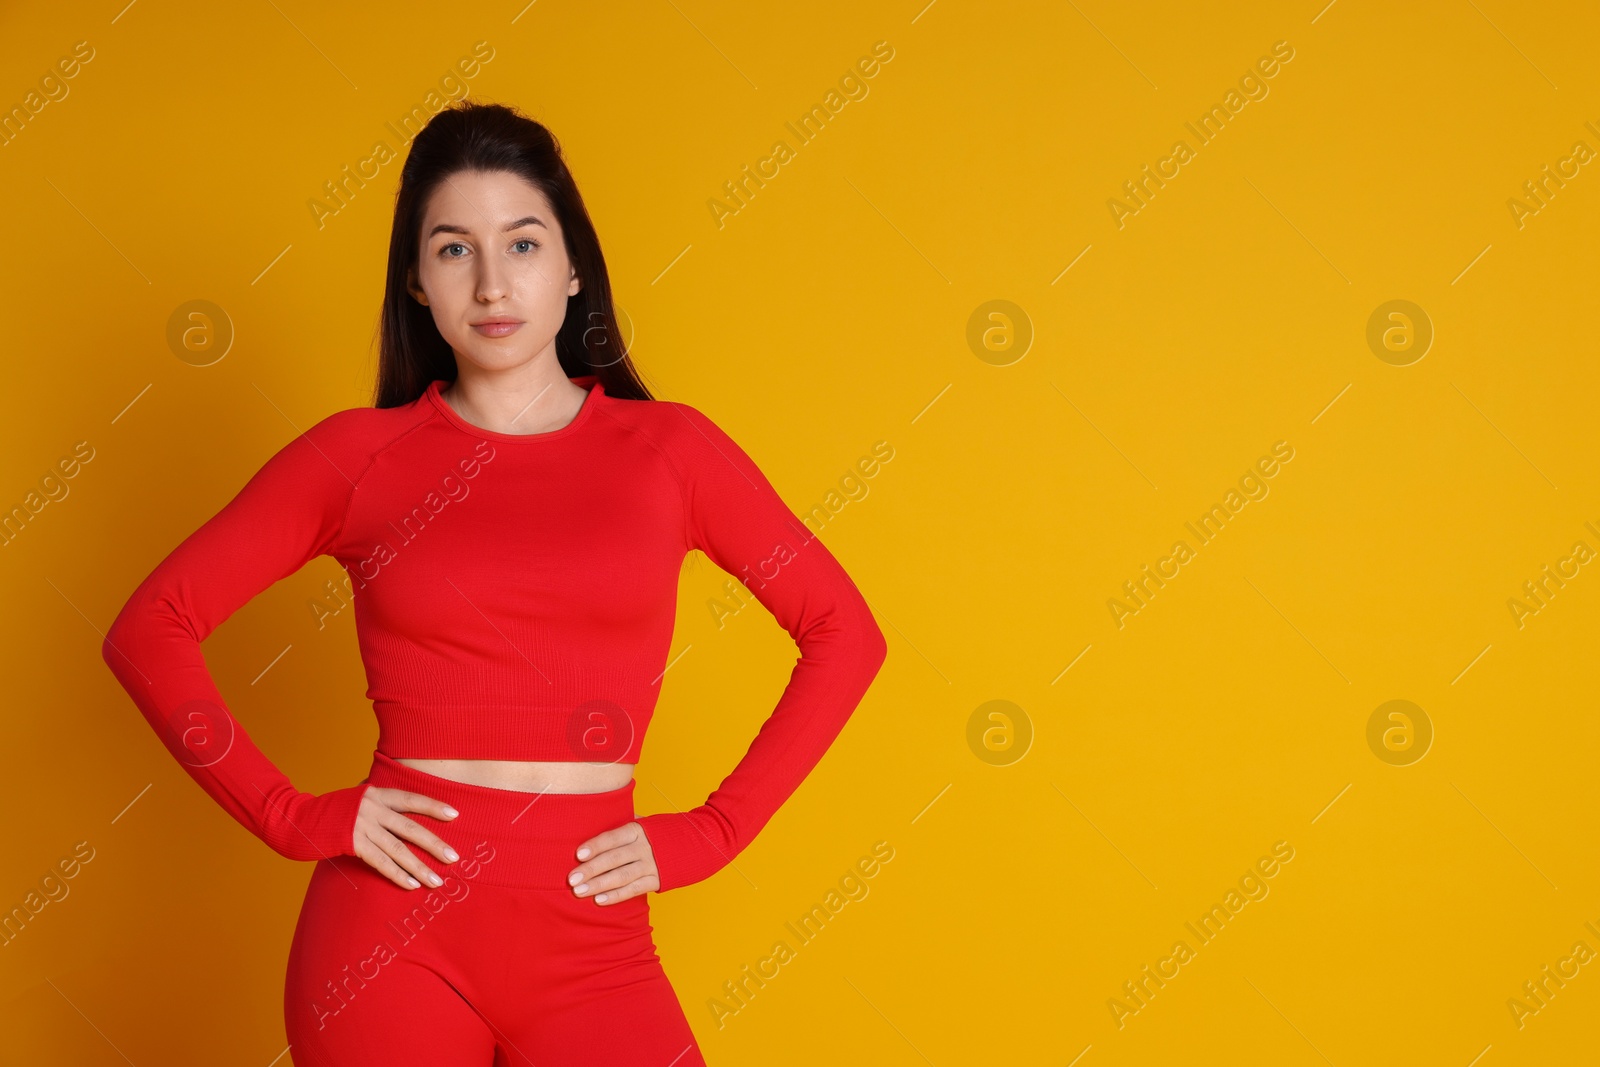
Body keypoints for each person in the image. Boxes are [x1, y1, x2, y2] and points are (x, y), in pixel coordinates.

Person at [100, 100, 888, 1065]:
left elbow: (846, 631)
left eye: (521, 243)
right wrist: (294, 814)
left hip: (593, 934)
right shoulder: (359, 457)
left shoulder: (670, 451)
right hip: (390, 935)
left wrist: (713, 833)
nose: (491, 283)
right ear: (418, 285)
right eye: (452, 250)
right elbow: (152, 626)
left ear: (571, 267)